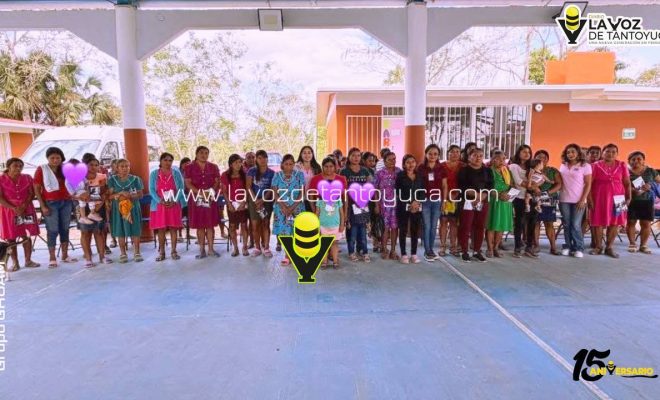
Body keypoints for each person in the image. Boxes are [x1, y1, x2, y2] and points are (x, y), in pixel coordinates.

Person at [33, 146, 77, 268]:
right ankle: (52, 257)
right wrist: (43, 206)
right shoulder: (42, 169)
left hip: (66, 202)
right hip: (50, 203)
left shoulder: (65, 168)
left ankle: (65, 255)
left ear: (62, 158)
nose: (55, 160)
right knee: (52, 230)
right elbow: (36, 188)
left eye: (58, 158)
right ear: (47, 158)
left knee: (65, 228)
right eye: (52, 158)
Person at [589, 143, 632, 258]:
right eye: (607, 151)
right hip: (599, 198)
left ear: (617, 154)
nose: (610, 154)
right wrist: (589, 199)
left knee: (615, 222)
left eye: (613, 152)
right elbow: (588, 184)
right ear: (602, 153)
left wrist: (629, 197)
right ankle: (598, 247)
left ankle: (609, 247)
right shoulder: (595, 166)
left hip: (619, 198)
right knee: (597, 222)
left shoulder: (622, 165)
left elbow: (627, 183)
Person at [0, 158, 40, 270]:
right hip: (8, 211)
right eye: (15, 166)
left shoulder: (27, 177)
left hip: (26, 209)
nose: (18, 168)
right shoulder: (1, 179)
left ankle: (28, 260)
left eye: (20, 166)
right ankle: (15, 263)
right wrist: (13, 208)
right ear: (8, 167)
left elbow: (31, 193)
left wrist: (24, 205)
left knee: (26, 235)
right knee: (11, 237)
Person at [74, 157, 111, 268]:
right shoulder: (79, 178)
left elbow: (105, 192)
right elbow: (73, 194)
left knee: (99, 232)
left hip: (99, 207)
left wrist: (99, 205)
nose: (94, 167)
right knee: (85, 233)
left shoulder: (102, 177)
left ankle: (102, 256)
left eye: (96, 165)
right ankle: (88, 259)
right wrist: (80, 198)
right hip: (84, 208)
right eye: (91, 164)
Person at [458, 148, 494, 263]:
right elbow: (461, 186)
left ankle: (477, 251)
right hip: (467, 201)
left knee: (480, 226)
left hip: (482, 201)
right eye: (475, 155)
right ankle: (464, 251)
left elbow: (490, 185)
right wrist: (474, 195)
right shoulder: (464, 170)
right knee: (466, 226)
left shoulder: (487, 170)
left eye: (480, 155)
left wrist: (481, 196)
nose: (478, 158)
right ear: (469, 157)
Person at [185, 146, 221, 259]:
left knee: (210, 225)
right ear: (196, 154)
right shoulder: (189, 167)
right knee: (200, 225)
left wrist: (210, 192)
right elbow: (188, 183)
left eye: (206, 153)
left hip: (210, 198)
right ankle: (201, 250)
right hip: (196, 199)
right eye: (201, 152)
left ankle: (211, 249)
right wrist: (200, 193)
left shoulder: (213, 167)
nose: (204, 155)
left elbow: (217, 182)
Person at [149, 152, 186, 262]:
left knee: (173, 228)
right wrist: (160, 201)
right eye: (165, 160)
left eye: (170, 160)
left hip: (173, 205)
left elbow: (181, 189)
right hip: (159, 205)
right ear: (160, 161)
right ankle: (162, 253)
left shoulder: (176, 173)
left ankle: (174, 251)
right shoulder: (154, 174)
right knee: (161, 229)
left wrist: (174, 201)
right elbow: (151, 190)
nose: (168, 162)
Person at [558, 144, 592, 258]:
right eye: (568, 152)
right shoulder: (563, 165)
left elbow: (588, 184)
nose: (570, 154)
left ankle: (579, 248)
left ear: (578, 153)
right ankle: (567, 246)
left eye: (573, 152)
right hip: (564, 199)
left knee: (576, 224)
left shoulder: (585, 166)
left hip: (579, 200)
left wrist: (583, 199)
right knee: (566, 224)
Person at [107, 159, 144, 263]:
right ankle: (123, 253)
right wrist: (119, 194)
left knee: (135, 229)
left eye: (127, 166)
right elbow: (109, 196)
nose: (125, 168)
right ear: (117, 168)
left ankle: (137, 252)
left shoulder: (136, 179)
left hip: (133, 208)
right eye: (122, 166)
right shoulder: (112, 180)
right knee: (120, 230)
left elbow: (140, 194)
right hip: (118, 209)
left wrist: (130, 195)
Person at [272, 154, 305, 266]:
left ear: (294, 164)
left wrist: (292, 207)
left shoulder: (299, 175)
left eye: (291, 164)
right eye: (286, 164)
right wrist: (284, 207)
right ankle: (287, 255)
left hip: (297, 207)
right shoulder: (277, 175)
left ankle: (296, 254)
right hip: (281, 208)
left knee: (296, 231)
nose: (288, 166)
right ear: (282, 164)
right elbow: (275, 192)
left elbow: (302, 192)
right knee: (285, 232)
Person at [341, 147, 373, 263]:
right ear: (349, 157)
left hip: (362, 204)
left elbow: (369, 186)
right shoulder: (344, 171)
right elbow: (343, 189)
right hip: (349, 204)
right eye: (353, 155)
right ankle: (351, 251)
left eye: (358, 155)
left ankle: (362, 250)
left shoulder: (365, 171)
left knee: (362, 228)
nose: (356, 158)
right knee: (351, 229)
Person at [626, 151, 659, 254]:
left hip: (647, 201)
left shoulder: (651, 171)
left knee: (646, 223)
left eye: (639, 159)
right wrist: (631, 189)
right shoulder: (625, 171)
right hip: (630, 201)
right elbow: (621, 184)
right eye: (633, 159)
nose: (636, 161)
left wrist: (651, 185)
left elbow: (658, 181)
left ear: (643, 161)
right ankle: (632, 244)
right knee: (631, 222)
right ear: (629, 161)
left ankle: (643, 245)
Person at [508, 144, 537, 258]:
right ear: (518, 153)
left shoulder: (532, 167)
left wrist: (535, 187)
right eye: (524, 151)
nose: (527, 154)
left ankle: (529, 247)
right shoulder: (513, 166)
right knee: (519, 223)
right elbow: (518, 182)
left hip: (532, 198)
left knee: (532, 223)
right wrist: (532, 187)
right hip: (519, 198)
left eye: (528, 152)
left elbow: (538, 179)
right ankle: (517, 247)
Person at [396, 154, 425, 264]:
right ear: (404, 164)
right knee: (403, 230)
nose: (411, 164)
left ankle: (414, 254)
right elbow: (398, 191)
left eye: (413, 162)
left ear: (416, 163)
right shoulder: (400, 176)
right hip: (403, 205)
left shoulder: (420, 175)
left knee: (415, 230)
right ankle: (403, 254)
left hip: (417, 206)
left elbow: (422, 190)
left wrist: (417, 202)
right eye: (408, 162)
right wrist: (410, 202)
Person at [532, 150, 562, 255]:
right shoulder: (531, 171)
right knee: (536, 222)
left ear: (547, 160)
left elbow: (559, 184)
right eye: (539, 157)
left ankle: (553, 247)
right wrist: (535, 190)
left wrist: (548, 193)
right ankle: (536, 246)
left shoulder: (552, 171)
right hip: (535, 199)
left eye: (544, 157)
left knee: (549, 223)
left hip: (549, 199)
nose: (541, 159)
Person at [417, 144, 444, 261]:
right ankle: (427, 251)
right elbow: (417, 184)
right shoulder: (421, 168)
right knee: (427, 225)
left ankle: (431, 249)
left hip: (437, 200)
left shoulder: (441, 168)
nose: (433, 156)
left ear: (438, 155)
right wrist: (418, 199)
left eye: (435, 154)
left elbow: (444, 185)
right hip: (425, 200)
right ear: (426, 154)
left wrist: (444, 201)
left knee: (433, 226)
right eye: (430, 154)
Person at [247, 149, 275, 258]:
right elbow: (248, 187)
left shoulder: (272, 173)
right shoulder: (251, 171)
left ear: (267, 159)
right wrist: (255, 200)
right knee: (255, 224)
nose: (262, 160)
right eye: (259, 158)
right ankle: (257, 248)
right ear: (256, 160)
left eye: (264, 158)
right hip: (254, 201)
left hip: (266, 201)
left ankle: (266, 247)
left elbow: (272, 188)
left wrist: (262, 200)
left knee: (266, 223)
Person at [315, 165, 345, 269]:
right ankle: (324, 262)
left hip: (335, 226)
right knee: (324, 244)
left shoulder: (338, 200)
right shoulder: (319, 201)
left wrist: (342, 224)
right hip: (323, 226)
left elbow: (341, 213)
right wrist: (316, 226)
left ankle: (335, 261)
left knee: (334, 244)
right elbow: (317, 213)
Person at [486, 150, 514, 258]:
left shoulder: (507, 171)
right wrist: (497, 194)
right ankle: (489, 248)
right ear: (492, 160)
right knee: (492, 225)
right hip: (493, 201)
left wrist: (508, 194)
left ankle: (496, 248)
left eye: (503, 159)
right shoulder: (489, 171)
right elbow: (486, 187)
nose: (501, 161)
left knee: (501, 226)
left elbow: (512, 185)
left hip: (505, 201)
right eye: (498, 158)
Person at [221, 154, 250, 257]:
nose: (238, 164)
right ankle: (235, 248)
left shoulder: (245, 174)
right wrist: (229, 204)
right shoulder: (225, 175)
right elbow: (224, 191)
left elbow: (248, 189)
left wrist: (244, 201)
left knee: (244, 225)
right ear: (231, 164)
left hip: (243, 203)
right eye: (236, 162)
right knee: (232, 226)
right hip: (231, 204)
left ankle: (245, 247)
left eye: (240, 162)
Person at [374, 151, 400, 260]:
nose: (392, 161)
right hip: (383, 204)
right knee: (385, 227)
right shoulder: (379, 173)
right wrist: (376, 205)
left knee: (394, 227)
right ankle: (384, 249)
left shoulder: (399, 172)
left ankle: (393, 250)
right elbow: (375, 190)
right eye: (390, 159)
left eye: (394, 159)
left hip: (396, 204)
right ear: (384, 161)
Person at [440, 145, 463, 257]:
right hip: (443, 196)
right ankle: (443, 246)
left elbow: (465, 182)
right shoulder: (441, 166)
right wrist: (446, 195)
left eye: (457, 152)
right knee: (443, 221)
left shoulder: (463, 166)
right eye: (452, 151)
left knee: (454, 222)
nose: (455, 154)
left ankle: (453, 246)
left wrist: (456, 194)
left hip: (457, 197)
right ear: (448, 153)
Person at [295, 145, 322, 212]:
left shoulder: (317, 167)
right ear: (301, 154)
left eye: (309, 153)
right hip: (299, 198)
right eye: (304, 153)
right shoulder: (296, 167)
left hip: (313, 198)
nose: (307, 155)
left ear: (312, 154)